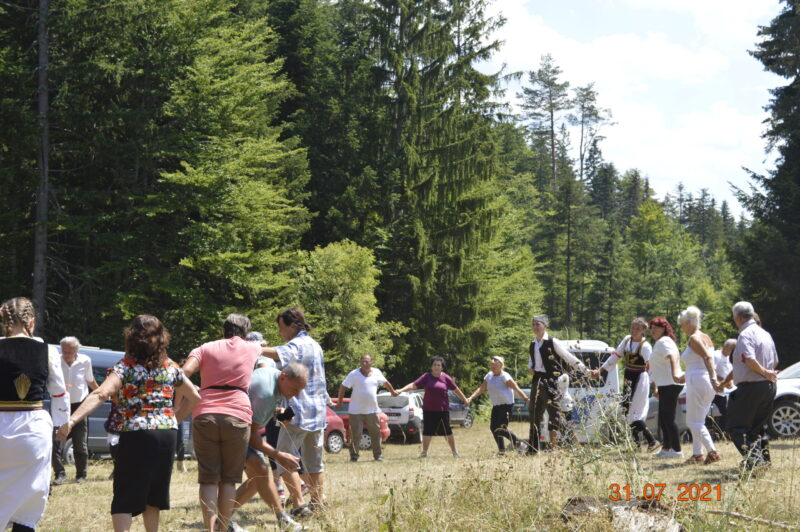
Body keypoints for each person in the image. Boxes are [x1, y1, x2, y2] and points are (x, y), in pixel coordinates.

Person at [57, 314, 201, 532]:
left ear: (132, 338)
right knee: (154, 494)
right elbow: (195, 397)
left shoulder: (126, 367)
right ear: (162, 338)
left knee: (124, 493)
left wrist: (73, 419)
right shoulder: (171, 367)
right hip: (166, 433)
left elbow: (100, 393)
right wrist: (173, 419)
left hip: (136, 432)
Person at [182, 314, 263, 532]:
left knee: (208, 479)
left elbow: (184, 372)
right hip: (237, 416)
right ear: (245, 333)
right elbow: (266, 350)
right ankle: (223, 527)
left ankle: (209, 530)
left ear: (223, 330)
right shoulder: (252, 347)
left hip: (205, 413)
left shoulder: (205, 348)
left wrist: (186, 398)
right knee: (229, 480)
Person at [0, 297, 69, 532]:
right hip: (32, 428)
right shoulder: (47, 351)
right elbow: (59, 393)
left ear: (3, 319)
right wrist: (62, 424)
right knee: (30, 496)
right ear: (31, 320)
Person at [261, 307, 328, 515]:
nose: (281, 333)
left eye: (282, 328)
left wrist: (254, 348)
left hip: (297, 412)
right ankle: (317, 503)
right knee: (315, 463)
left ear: (292, 325)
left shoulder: (297, 344)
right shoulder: (315, 345)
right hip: (318, 413)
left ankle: (299, 505)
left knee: (283, 459)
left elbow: (280, 353)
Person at [228, 363, 308, 532]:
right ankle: (282, 519)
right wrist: (278, 455)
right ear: (283, 377)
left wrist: (276, 412)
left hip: (237, 426)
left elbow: (253, 406)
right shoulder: (266, 393)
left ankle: (224, 517)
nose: (295, 395)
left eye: (299, 390)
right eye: (294, 389)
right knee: (261, 471)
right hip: (230, 430)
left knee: (257, 480)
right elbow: (251, 435)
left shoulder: (272, 374)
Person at [718, 302, 778, 472]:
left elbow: (749, 360)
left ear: (738, 317)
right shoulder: (765, 334)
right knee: (756, 429)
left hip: (752, 387)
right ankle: (764, 463)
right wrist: (767, 373)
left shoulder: (745, 335)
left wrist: (763, 372)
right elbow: (775, 360)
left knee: (736, 429)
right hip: (768, 386)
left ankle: (756, 462)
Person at [591, 318, 659, 452]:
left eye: (637, 329)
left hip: (641, 378)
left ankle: (652, 440)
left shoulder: (645, 346)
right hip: (628, 377)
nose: (634, 331)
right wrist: (600, 370)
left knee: (635, 414)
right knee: (627, 411)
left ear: (643, 331)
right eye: (632, 328)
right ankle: (636, 446)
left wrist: (655, 387)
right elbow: (615, 357)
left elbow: (651, 368)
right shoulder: (627, 340)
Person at [526, 314, 588, 453]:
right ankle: (533, 448)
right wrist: (530, 367)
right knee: (534, 413)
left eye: (538, 324)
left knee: (553, 413)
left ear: (545, 326)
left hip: (551, 381)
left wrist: (586, 370)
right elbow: (532, 360)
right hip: (537, 379)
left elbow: (568, 357)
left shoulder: (552, 342)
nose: (535, 327)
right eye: (534, 324)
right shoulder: (532, 343)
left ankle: (559, 446)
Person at [395, 356, 470, 458]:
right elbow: (413, 385)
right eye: (434, 365)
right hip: (429, 410)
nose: (436, 367)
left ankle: (454, 452)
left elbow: (456, 389)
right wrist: (401, 390)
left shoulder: (446, 378)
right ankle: (424, 452)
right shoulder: (426, 377)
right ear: (431, 366)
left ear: (442, 367)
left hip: (443, 410)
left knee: (447, 432)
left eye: (438, 365)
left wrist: (465, 399)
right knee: (427, 432)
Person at [675, 306, 720, 464]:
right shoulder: (706, 337)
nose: (681, 327)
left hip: (699, 381)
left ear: (688, 323)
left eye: (682, 324)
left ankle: (712, 451)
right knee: (698, 420)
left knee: (693, 422)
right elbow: (705, 361)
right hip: (703, 380)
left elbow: (707, 358)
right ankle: (697, 454)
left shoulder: (694, 339)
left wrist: (714, 377)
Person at [51, 336, 99, 484]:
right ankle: (60, 474)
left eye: (69, 352)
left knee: (80, 443)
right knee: (55, 442)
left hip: (80, 405)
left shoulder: (85, 361)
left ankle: (81, 475)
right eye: (64, 351)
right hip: (60, 405)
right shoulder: (55, 361)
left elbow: (90, 381)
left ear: (76, 350)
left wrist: (100, 394)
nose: (66, 355)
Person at [336, 354, 398, 462]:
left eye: (367, 361)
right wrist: (340, 402)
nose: (365, 363)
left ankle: (378, 455)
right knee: (356, 434)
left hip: (372, 410)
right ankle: (354, 456)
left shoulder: (377, 372)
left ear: (371, 362)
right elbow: (343, 386)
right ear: (360, 362)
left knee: (375, 433)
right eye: (363, 361)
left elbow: (386, 383)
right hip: (356, 411)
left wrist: (392, 392)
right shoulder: (354, 374)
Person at [466, 356, 529, 454]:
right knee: (493, 428)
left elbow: (517, 388)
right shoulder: (489, 376)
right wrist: (471, 397)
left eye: (495, 366)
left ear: (501, 365)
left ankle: (520, 444)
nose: (492, 368)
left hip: (506, 405)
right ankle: (502, 450)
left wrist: (526, 398)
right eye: (491, 366)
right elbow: (481, 389)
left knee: (501, 428)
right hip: (496, 406)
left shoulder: (505, 377)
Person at [647, 317, 684, 458]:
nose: (653, 330)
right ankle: (667, 448)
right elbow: (657, 368)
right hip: (665, 384)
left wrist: (675, 372)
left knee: (668, 418)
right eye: (652, 327)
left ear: (665, 329)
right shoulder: (660, 343)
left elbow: (673, 357)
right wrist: (656, 388)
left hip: (671, 383)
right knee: (663, 418)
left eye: (657, 327)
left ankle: (677, 449)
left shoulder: (664, 341)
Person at [705, 339, 735, 439]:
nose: (734, 351)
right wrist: (723, 381)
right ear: (726, 347)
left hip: (722, 391)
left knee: (725, 412)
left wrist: (729, 383)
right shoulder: (716, 355)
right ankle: (708, 434)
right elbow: (710, 370)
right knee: (706, 412)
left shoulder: (729, 358)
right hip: (712, 388)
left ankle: (723, 434)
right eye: (732, 349)